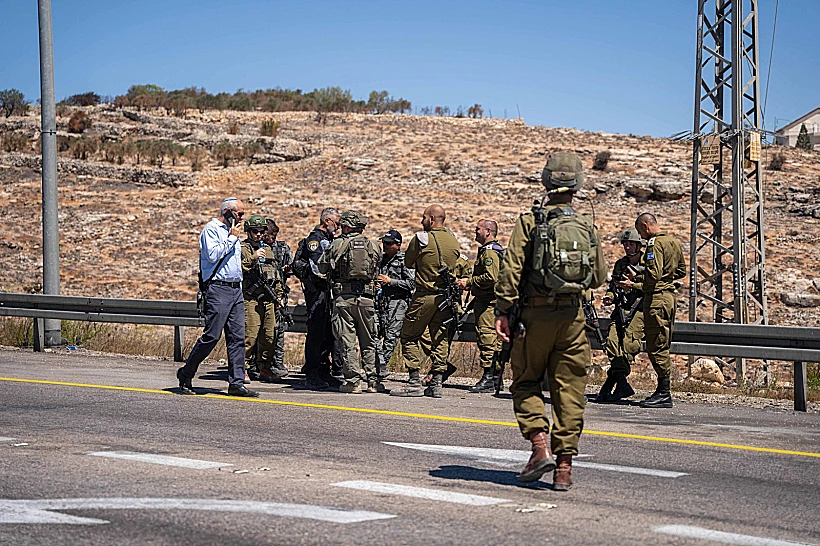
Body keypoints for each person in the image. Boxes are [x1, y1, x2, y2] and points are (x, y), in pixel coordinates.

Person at [494, 153, 607, 490]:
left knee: (526, 381)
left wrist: (503, 310)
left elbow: (511, 268)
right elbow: (599, 276)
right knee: (570, 391)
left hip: (534, 316)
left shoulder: (531, 222)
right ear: (577, 184)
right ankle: (564, 468)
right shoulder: (586, 225)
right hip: (572, 319)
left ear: (546, 181)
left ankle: (539, 447)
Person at [177, 197, 259, 398]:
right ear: (229, 211)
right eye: (239, 213)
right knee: (212, 336)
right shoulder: (211, 230)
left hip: (235, 289)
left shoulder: (234, 233)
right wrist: (232, 238)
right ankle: (186, 373)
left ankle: (236, 382)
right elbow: (212, 255)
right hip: (218, 289)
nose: (242, 217)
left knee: (237, 338)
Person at [390, 205, 461, 398]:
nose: (422, 221)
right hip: (445, 299)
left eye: (423, 218)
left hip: (424, 296)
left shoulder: (422, 238)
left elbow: (408, 262)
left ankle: (414, 381)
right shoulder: (453, 241)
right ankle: (436, 383)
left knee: (409, 336)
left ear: (431, 219)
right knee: (440, 338)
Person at [318, 211, 383, 393]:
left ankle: (353, 382)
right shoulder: (374, 245)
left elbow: (321, 266)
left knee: (348, 341)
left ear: (346, 226)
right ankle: (372, 381)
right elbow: (377, 266)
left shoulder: (338, 244)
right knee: (369, 341)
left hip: (344, 299)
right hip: (367, 299)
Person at [632, 212, 686, 409]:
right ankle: (663, 391)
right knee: (662, 341)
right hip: (668, 299)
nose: (642, 236)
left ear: (646, 226)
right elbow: (681, 271)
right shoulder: (673, 241)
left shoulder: (654, 243)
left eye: (640, 232)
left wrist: (637, 282)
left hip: (656, 299)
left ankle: (664, 393)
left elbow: (653, 274)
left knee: (656, 345)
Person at [291, 207, 342, 390]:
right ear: (327, 221)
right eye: (336, 223)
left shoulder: (329, 239)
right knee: (316, 333)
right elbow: (317, 266)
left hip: (327, 293)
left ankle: (323, 371)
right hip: (317, 292)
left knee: (328, 333)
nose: (338, 227)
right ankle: (312, 373)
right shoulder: (315, 240)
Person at [595, 228, 645, 403]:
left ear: (639, 245)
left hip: (639, 310)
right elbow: (613, 288)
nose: (628, 247)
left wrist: (633, 284)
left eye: (631, 244)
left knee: (628, 347)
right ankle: (621, 385)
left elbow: (652, 287)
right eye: (625, 244)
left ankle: (609, 386)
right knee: (612, 344)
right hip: (621, 310)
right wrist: (609, 298)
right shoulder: (621, 264)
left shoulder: (648, 265)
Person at [457, 219, 504, 393]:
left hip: (489, 303)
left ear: (488, 232)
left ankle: (488, 378)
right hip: (490, 301)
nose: (475, 231)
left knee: (487, 339)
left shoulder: (490, 252)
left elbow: (491, 277)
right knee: (494, 341)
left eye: (478, 229)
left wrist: (468, 282)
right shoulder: (491, 250)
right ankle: (496, 378)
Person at [420, 252, 471, 386]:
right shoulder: (433, 258)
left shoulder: (461, 261)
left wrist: (457, 283)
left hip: (450, 304)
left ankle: (436, 372)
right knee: (423, 335)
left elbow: (468, 281)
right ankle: (442, 366)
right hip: (432, 302)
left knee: (443, 340)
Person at [241, 214, 280, 383]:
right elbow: (238, 268)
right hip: (251, 298)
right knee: (250, 335)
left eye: (261, 231)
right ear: (248, 232)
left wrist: (279, 296)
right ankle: (241, 368)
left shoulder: (268, 250)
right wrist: (253, 257)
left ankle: (264, 367)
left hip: (268, 299)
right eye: (254, 231)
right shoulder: (241, 248)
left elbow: (275, 274)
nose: (258, 234)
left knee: (269, 336)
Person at [375, 229, 415, 380]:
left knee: (391, 338)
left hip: (398, 302)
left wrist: (390, 281)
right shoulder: (381, 260)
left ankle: (381, 368)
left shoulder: (405, 260)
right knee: (375, 335)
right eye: (384, 243)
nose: (384, 246)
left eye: (388, 243)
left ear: (397, 245)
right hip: (382, 302)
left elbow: (411, 283)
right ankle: (378, 366)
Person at [262, 218, 292, 380]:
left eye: (274, 235)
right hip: (260, 296)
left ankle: (277, 362)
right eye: (270, 234)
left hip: (279, 295)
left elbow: (292, 267)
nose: (272, 238)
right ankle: (259, 364)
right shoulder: (256, 248)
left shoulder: (282, 248)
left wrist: (287, 269)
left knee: (279, 330)